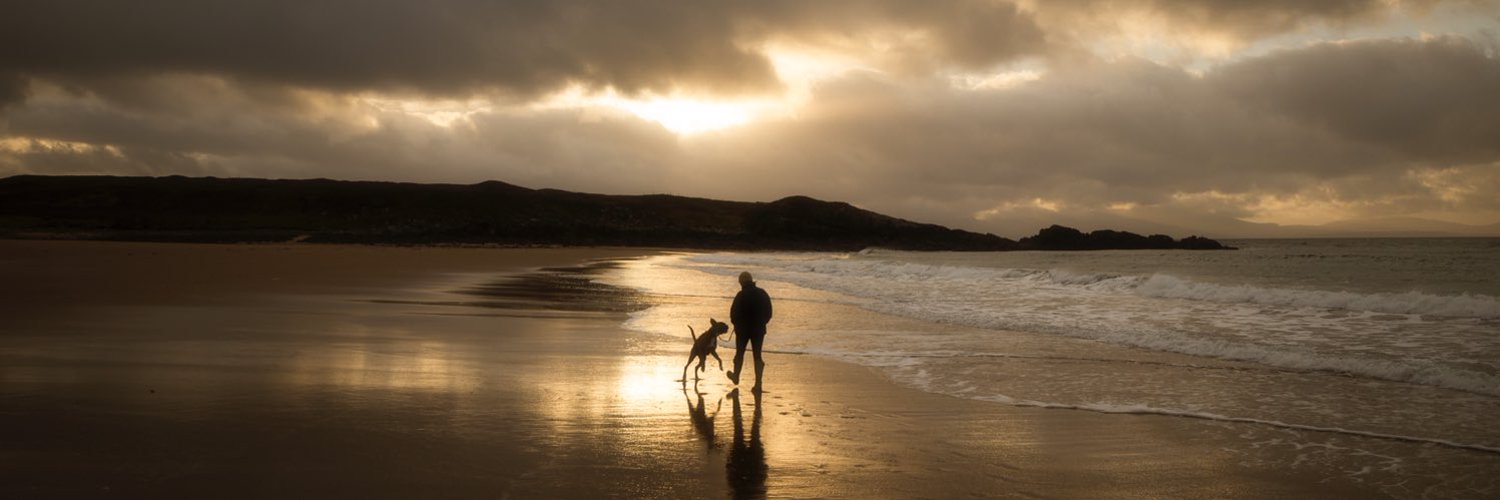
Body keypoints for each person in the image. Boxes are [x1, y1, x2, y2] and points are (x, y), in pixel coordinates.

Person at [727, 271, 772, 391]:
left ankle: (736, 375)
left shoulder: (740, 295)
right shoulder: (762, 293)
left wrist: (736, 324)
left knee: (739, 354)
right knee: (757, 356)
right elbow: (769, 312)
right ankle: (758, 383)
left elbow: (733, 314)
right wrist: (762, 323)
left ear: (741, 282)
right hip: (758, 330)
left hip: (742, 331)